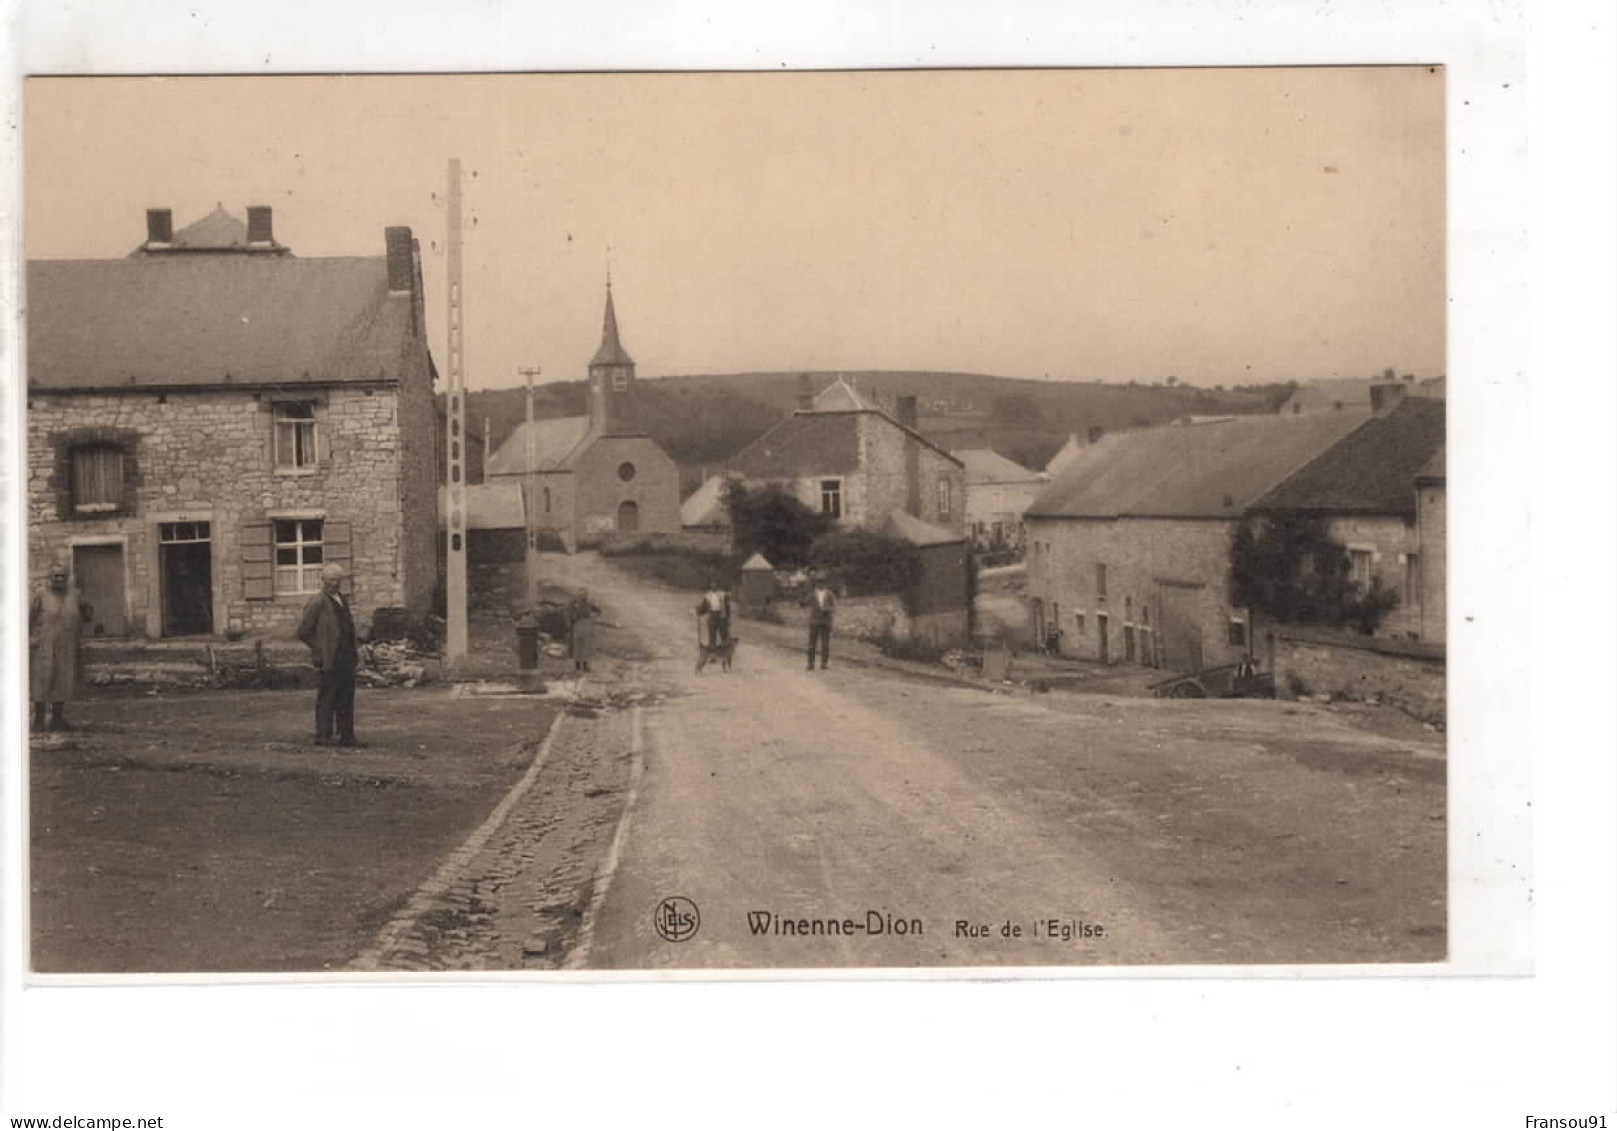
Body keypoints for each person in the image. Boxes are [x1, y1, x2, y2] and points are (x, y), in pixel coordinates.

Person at [297, 563, 364, 748]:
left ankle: (347, 736)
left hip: (346, 657)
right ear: (323, 580)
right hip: (329, 658)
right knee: (327, 696)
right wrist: (319, 649)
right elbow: (304, 631)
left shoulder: (342, 599)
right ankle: (323, 735)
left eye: (338, 580)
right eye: (331, 580)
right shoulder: (317, 602)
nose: (335, 583)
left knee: (346, 697)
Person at [29, 561, 91, 732]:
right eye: (56, 575)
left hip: (66, 647)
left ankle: (57, 719)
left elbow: (87, 612)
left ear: (67, 577)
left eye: (63, 576)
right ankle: (39, 720)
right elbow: (28, 618)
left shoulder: (75, 594)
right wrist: (29, 640)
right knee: (41, 682)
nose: (59, 579)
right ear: (50, 577)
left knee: (62, 682)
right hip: (42, 646)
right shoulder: (40, 595)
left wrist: (86, 613)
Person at [694, 579, 732, 674]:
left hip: (721, 616)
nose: (714, 586)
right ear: (710, 585)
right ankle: (713, 657)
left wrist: (728, 617)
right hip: (712, 616)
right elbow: (704, 607)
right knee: (712, 637)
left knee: (724, 637)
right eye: (712, 584)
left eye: (715, 584)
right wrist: (699, 611)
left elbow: (727, 606)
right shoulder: (708, 595)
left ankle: (725, 657)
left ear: (717, 585)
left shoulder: (722, 594)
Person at [801, 571, 836, 671]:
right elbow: (804, 604)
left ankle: (824, 663)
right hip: (814, 621)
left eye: (822, 582)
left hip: (825, 621)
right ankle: (810, 663)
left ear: (825, 583)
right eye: (818, 582)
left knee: (825, 644)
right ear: (816, 583)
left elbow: (834, 607)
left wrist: (827, 609)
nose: (820, 584)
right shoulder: (812, 594)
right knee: (812, 643)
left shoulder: (830, 594)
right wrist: (801, 599)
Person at [567, 588, 601, 672]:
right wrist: (572, 619)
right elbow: (570, 615)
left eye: (584, 595)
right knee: (578, 645)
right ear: (577, 595)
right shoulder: (573, 604)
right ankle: (577, 665)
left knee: (586, 646)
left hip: (586, 625)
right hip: (577, 625)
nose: (583, 597)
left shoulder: (588, 603)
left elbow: (598, 611)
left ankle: (585, 665)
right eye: (581, 595)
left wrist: (594, 616)